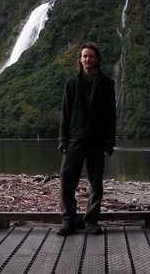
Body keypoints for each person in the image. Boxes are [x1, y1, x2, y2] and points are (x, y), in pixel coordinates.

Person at [57, 42, 116, 236]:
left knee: (96, 182)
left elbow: (110, 115)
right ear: (80, 60)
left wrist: (109, 142)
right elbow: (65, 113)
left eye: (91, 56)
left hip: (97, 141)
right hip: (74, 139)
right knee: (66, 179)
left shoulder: (107, 84)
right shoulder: (71, 83)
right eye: (84, 56)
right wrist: (62, 139)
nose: (87, 59)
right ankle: (68, 221)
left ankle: (91, 221)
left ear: (97, 59)